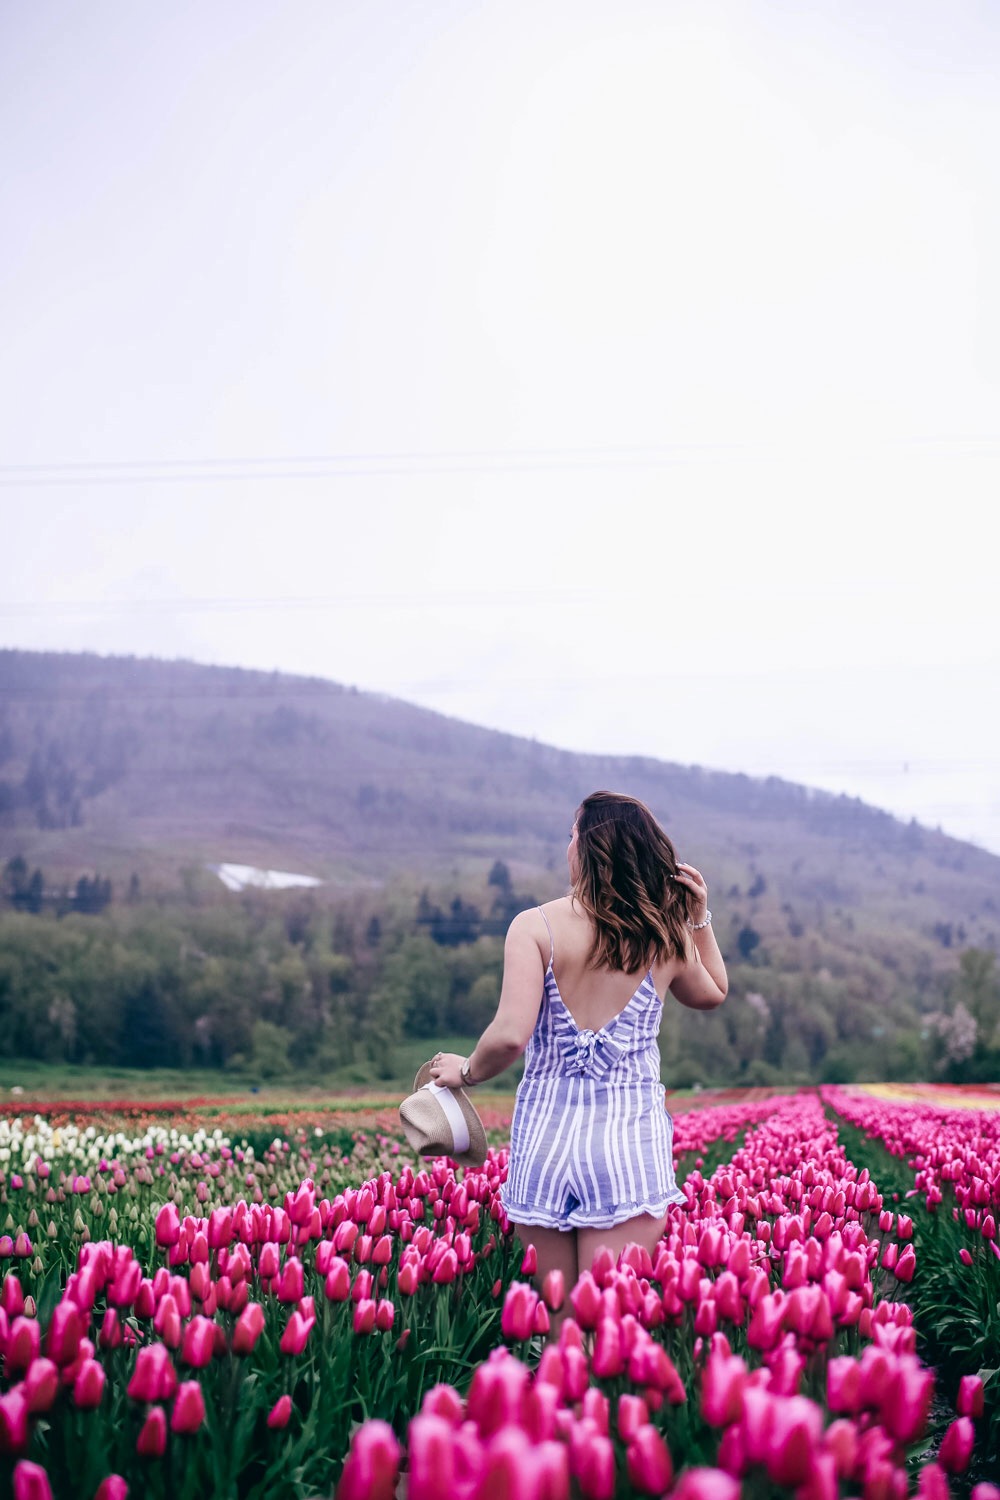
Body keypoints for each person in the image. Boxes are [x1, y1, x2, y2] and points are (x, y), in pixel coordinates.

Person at [428, 790, 728, 1319]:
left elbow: (508, 1037)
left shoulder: (534, 926)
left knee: (561, 1328)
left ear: (589, 850)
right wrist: (699, 920)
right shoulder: (664, 935)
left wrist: (467, 1071)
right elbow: (712, 994)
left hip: (545, 1144)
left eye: (572, 836)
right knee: (606, 1329)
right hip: (626, 1147)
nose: (567, 846)